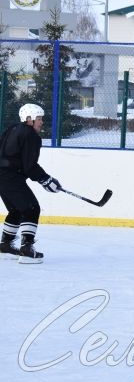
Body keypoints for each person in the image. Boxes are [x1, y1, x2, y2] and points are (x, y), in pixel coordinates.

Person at [0, 104, 61, 263]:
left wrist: (44, 179)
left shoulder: (12, 129)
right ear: (29, 120)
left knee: (16, 210)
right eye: (39, 119)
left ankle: (5, 246)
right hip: (11, 177)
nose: (41, 122)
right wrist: (46, 180)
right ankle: (26, 249)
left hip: (2, 177)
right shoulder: (31, 135)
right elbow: (30, 166)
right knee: (32, 209)